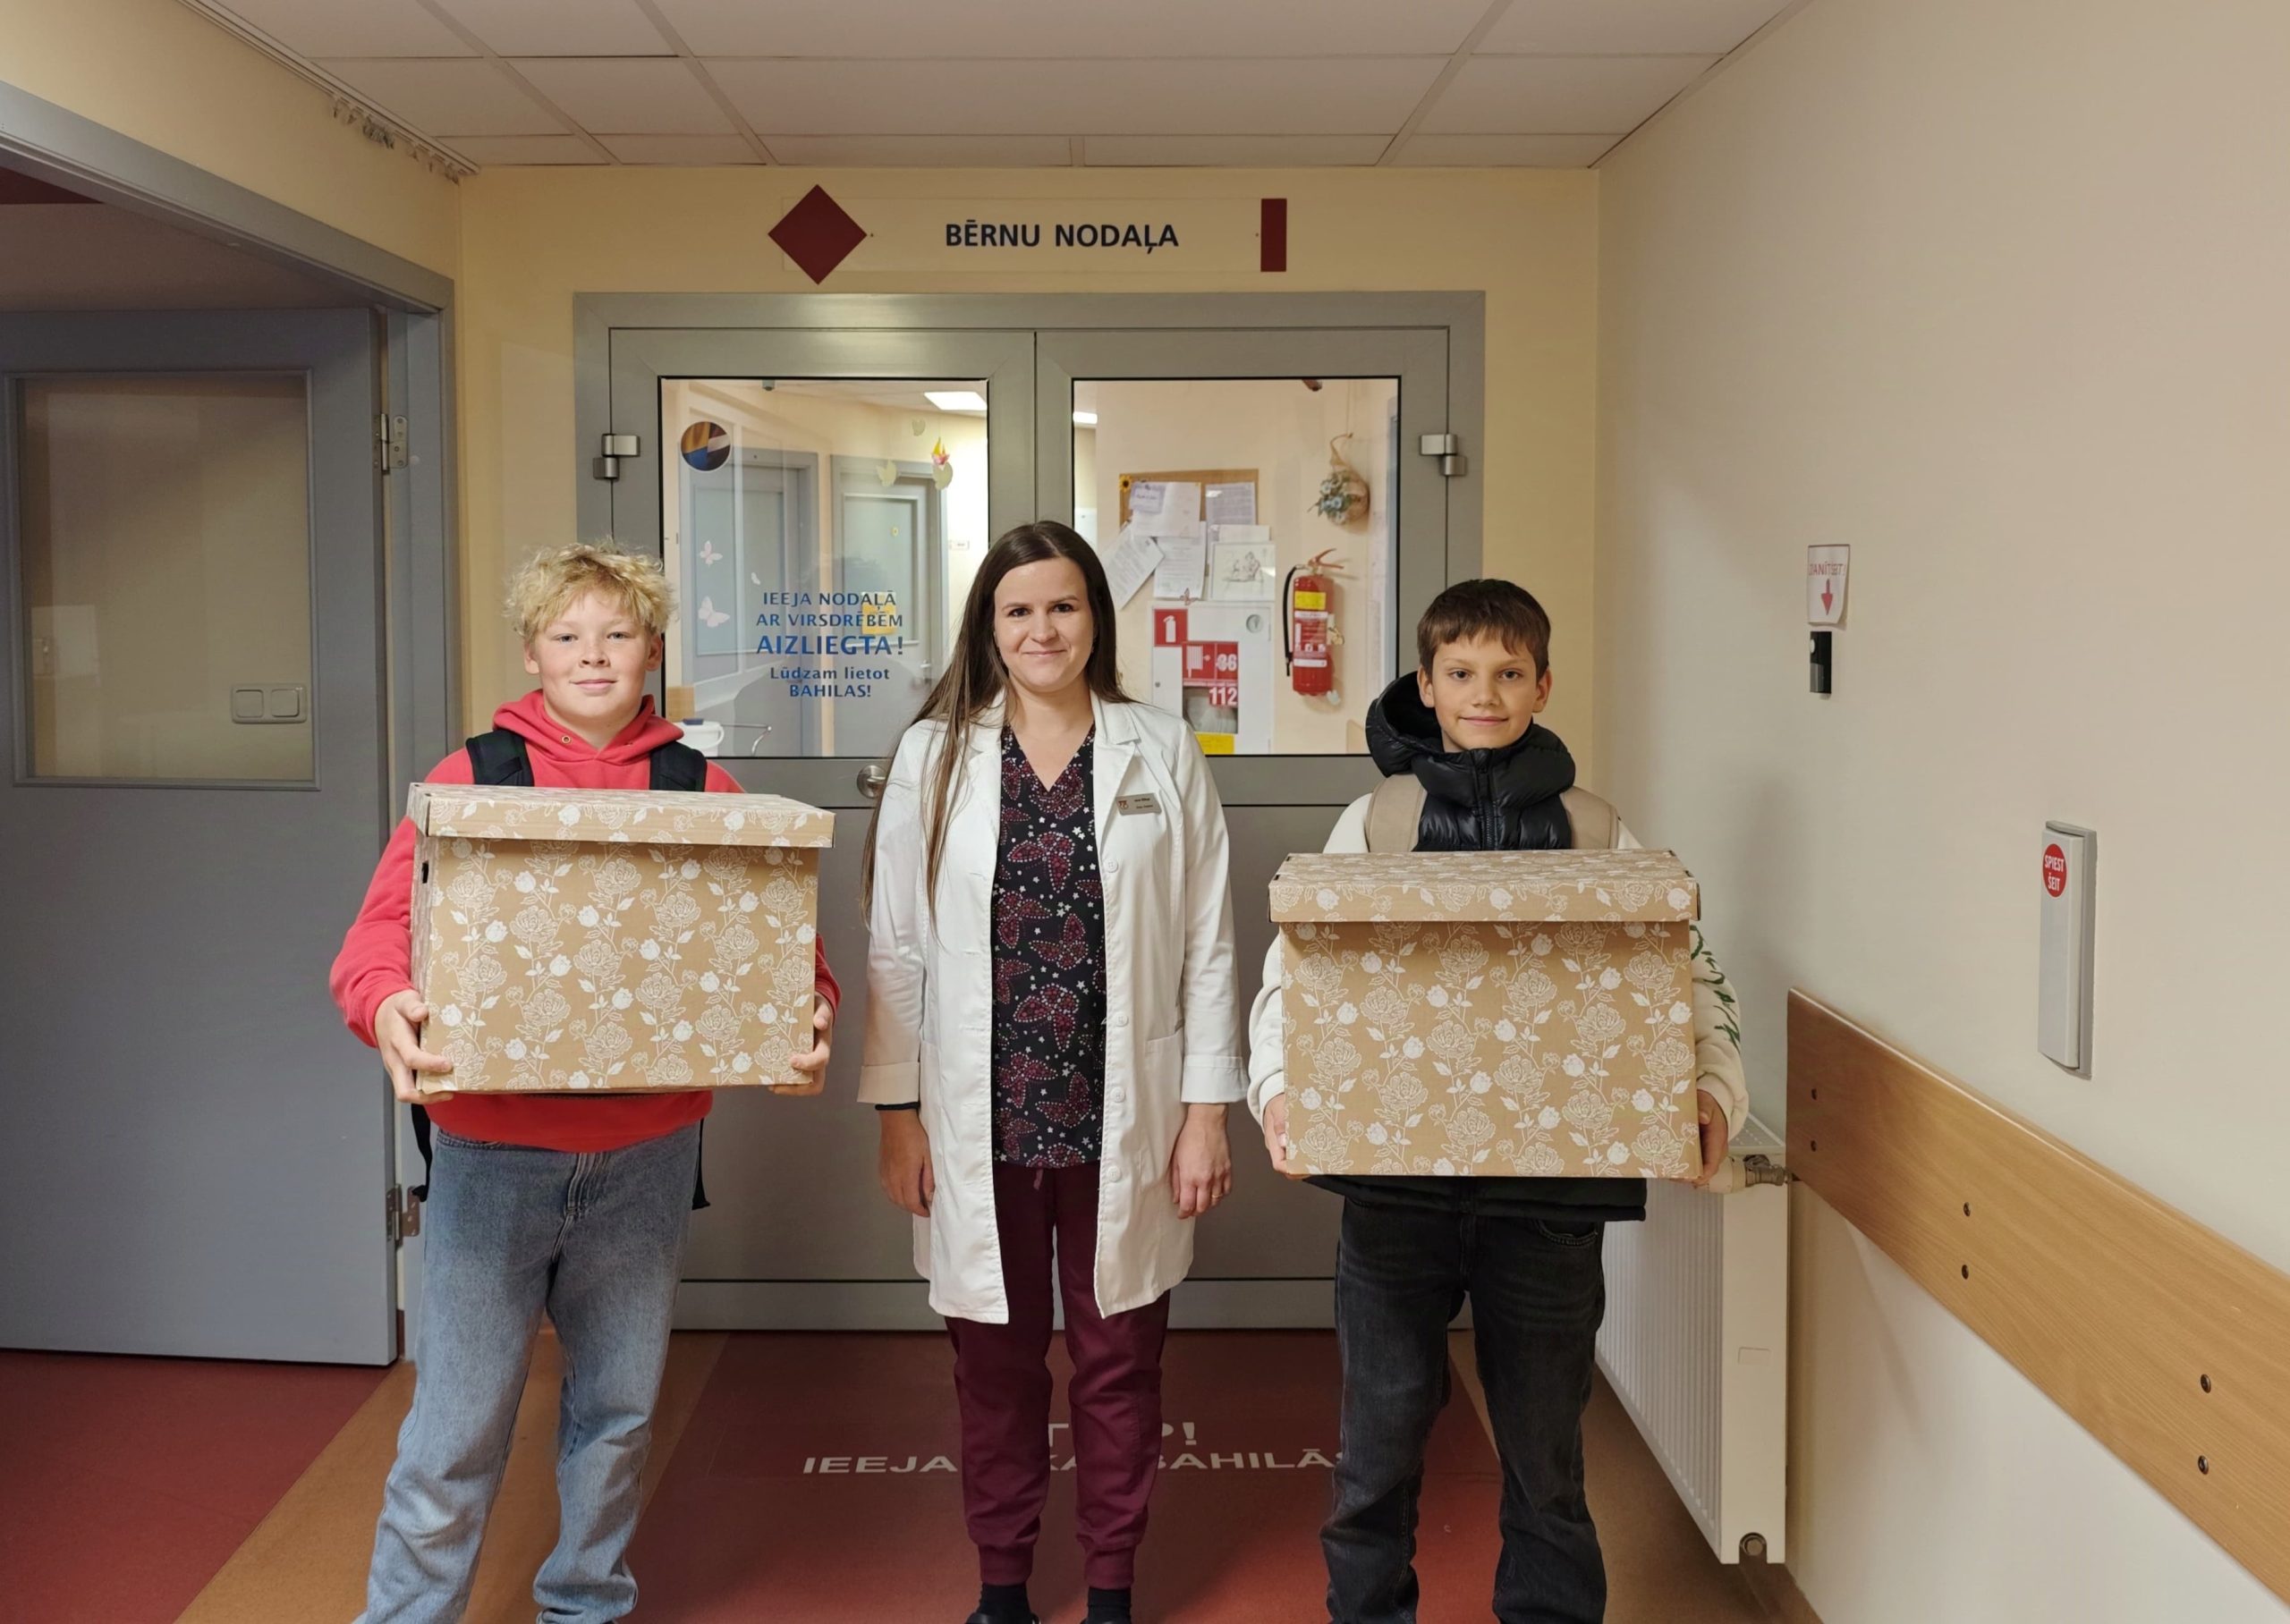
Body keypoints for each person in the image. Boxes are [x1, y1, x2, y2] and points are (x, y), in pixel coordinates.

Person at [328, 542, 840, 1624]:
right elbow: (377, 937)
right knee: (455, 1424)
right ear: (533, 653)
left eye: (617, 633)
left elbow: (782, 941)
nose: (593, 654)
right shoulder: (470, 779)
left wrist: (809, 1012)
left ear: (652, 649)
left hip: (647, 1156)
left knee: (615, 1416)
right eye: (568, 635)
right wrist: (385, 1000)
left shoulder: (700, 787)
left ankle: (586, 1604)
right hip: (490, 1152)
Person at [1245, 579, 1748, 1624]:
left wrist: (1709, 1087)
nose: (1485, 693)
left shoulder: (1597, 829)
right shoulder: (1376, 821)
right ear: (1426, 685)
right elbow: (1297, 973)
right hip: (1392, 1194)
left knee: (1545, 1459)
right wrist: (1280, 1088)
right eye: (1462, 672)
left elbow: (1683, 973)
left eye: (1509, 672)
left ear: (1542, 685)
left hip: (1548, 1202)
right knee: (1377, 1447)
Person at [861, 520, 1246, 1624]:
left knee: (1119, 1362)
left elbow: (1208, 942)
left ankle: (1112, 1585)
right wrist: (897, 1114)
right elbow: (894, 946)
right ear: (988, 626)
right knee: (995, 1367)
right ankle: (1003, 1589)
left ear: (1095, 619)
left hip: (1124, 1111)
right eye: (1019, 609)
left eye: (1063, 606)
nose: (1043, 629)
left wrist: (1206, 1113)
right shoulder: (935, 754)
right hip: (977, 1116)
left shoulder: (1159, 746)